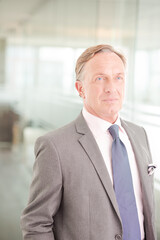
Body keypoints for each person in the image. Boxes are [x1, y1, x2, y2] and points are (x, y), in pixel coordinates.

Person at [21, 44, 156, 240]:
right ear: (80, 88)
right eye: (100, 78)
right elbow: (36, 223)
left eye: (118, 78)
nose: (111, 88)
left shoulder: (139, 135)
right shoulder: (55, 147)